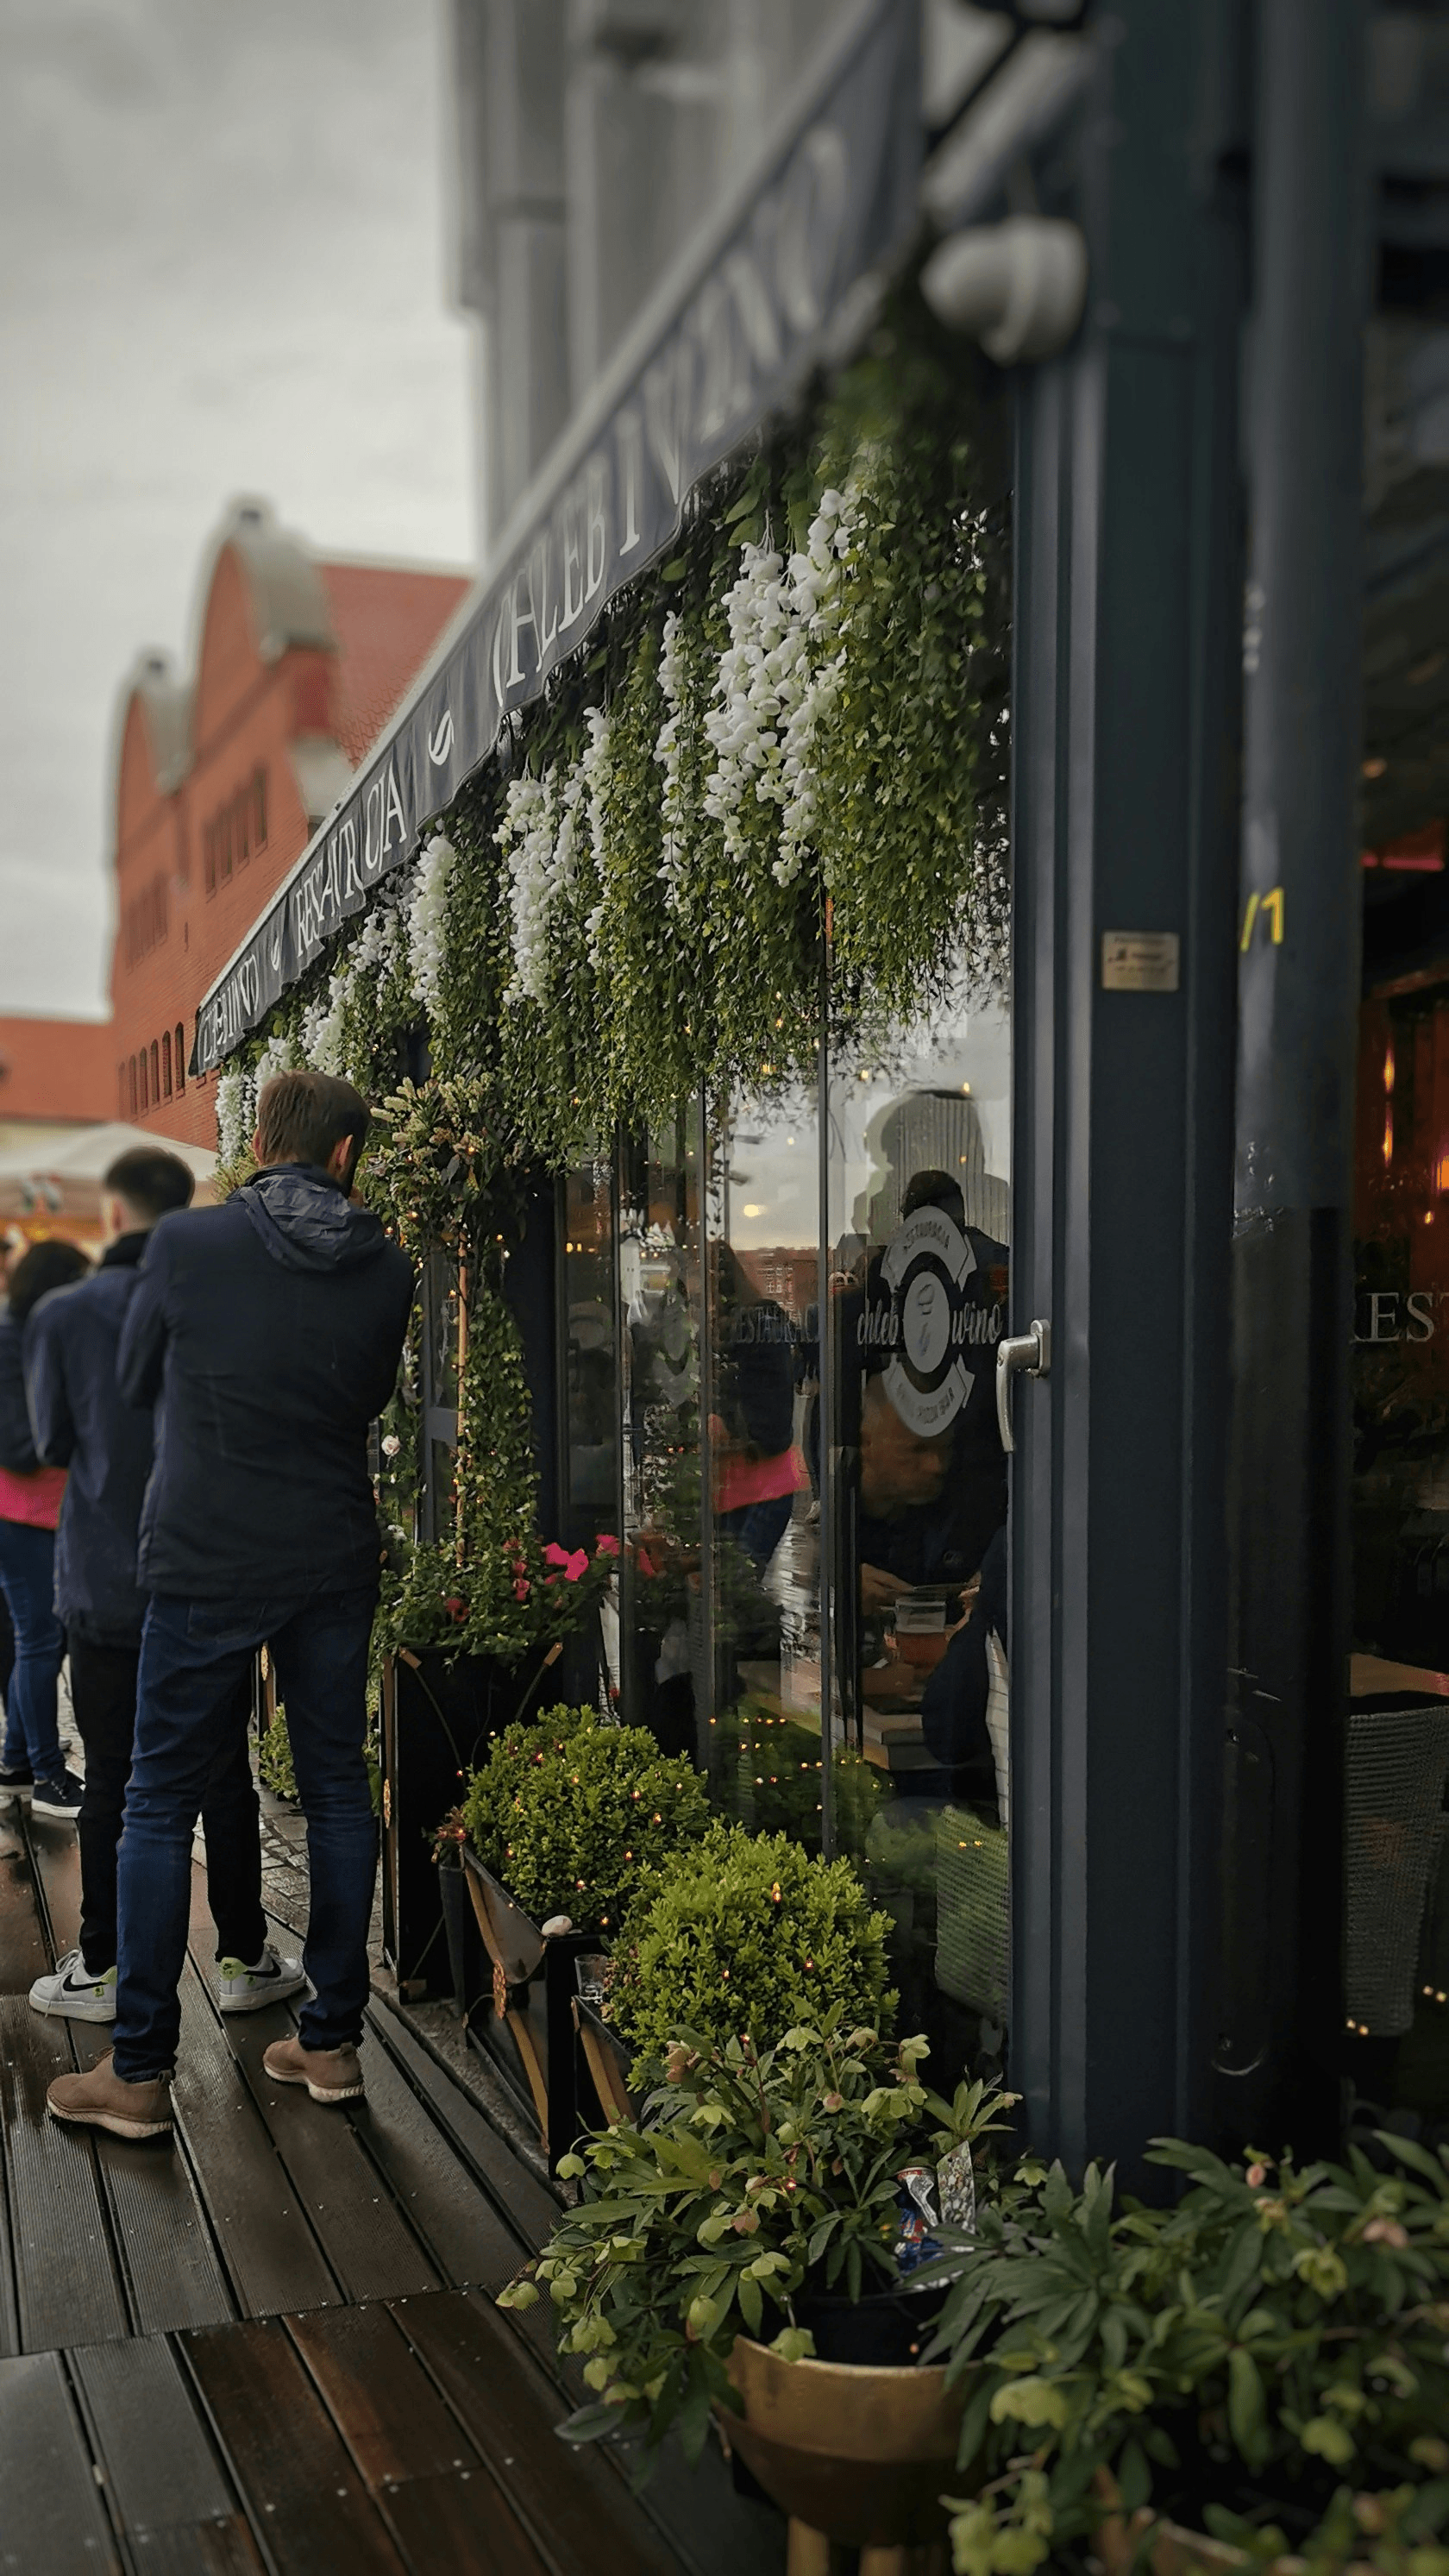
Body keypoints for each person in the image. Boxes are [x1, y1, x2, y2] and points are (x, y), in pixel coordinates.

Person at [47, 1071, 414, 2141]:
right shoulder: (386, 1263)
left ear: (260, 1141)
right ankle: (333, 2042)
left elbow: (132, 1381)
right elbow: (367, 1397)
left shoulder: (187, 1248)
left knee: (159, 1797)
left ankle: (142, 2073)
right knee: (340, 1787)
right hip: (332, 1550)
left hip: (206, 1551)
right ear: (345, 1155)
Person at [24, 1147, 303, 2025]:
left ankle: (102, 1968)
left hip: (104, 1577)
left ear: (111, 1213)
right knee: (223, 1775)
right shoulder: (216, 1301)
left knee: (110, 1776)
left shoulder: (65, 1314)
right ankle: (244, 1956)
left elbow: (50, 1442)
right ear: (184, 1208)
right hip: (207, 1573)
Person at [0, 1238, 90, 1813]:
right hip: (22, 1514)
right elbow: (20, 1445)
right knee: (40, 1644)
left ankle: (14, 1760)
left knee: (41, 1642)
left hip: (39, 1512)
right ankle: (47, 1778)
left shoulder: (30, 1331)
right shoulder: (13, 1339)